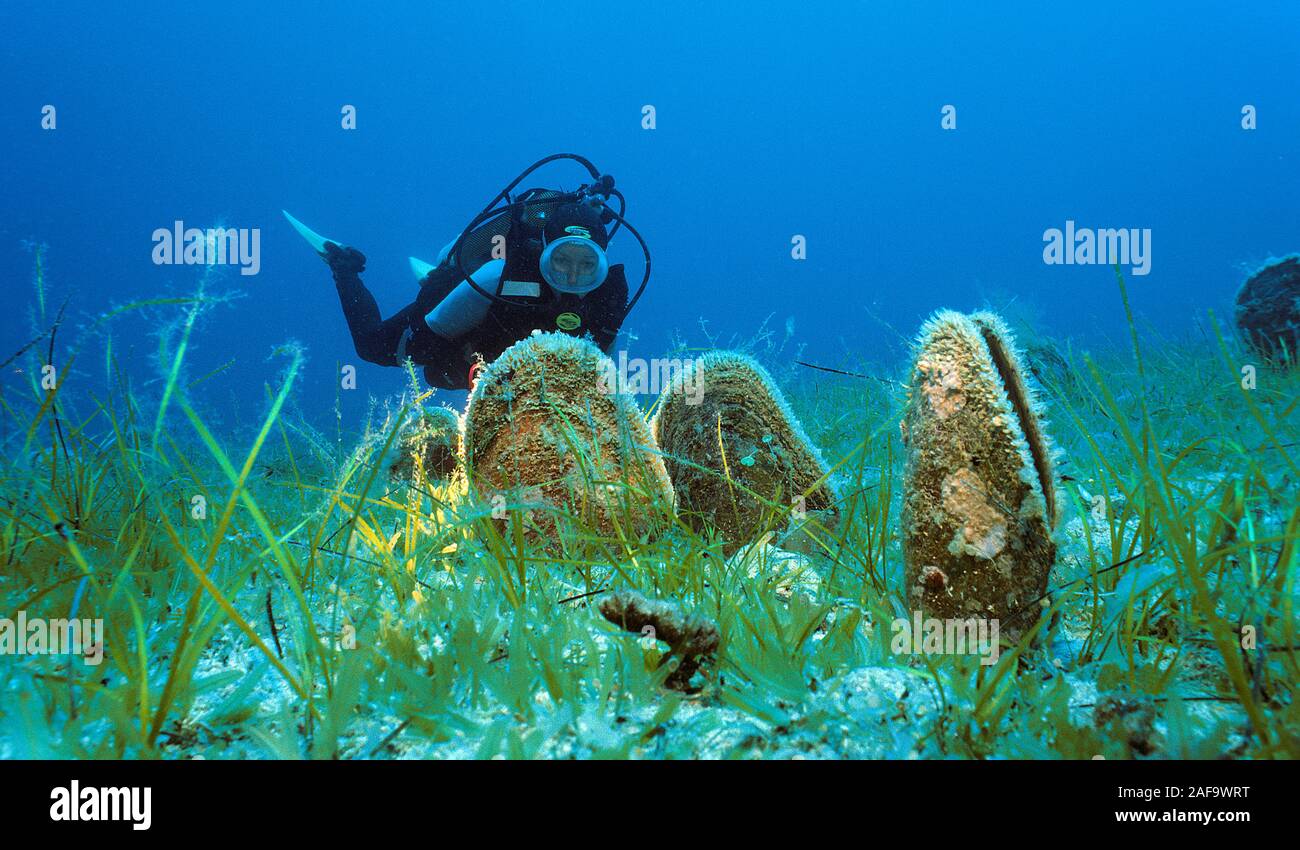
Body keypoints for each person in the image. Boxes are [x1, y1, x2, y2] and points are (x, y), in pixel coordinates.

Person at [286, 155, 650, 390]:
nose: (572, 277)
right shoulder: (496, 279)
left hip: (513, 369)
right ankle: (345, 266)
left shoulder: (606, 308)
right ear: (543, 257)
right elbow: (432, 333)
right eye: (561, 262)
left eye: (587, 266)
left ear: (603, 266)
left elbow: (600, 381)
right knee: (373, 348)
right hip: (462, 325)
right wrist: (470, 369)